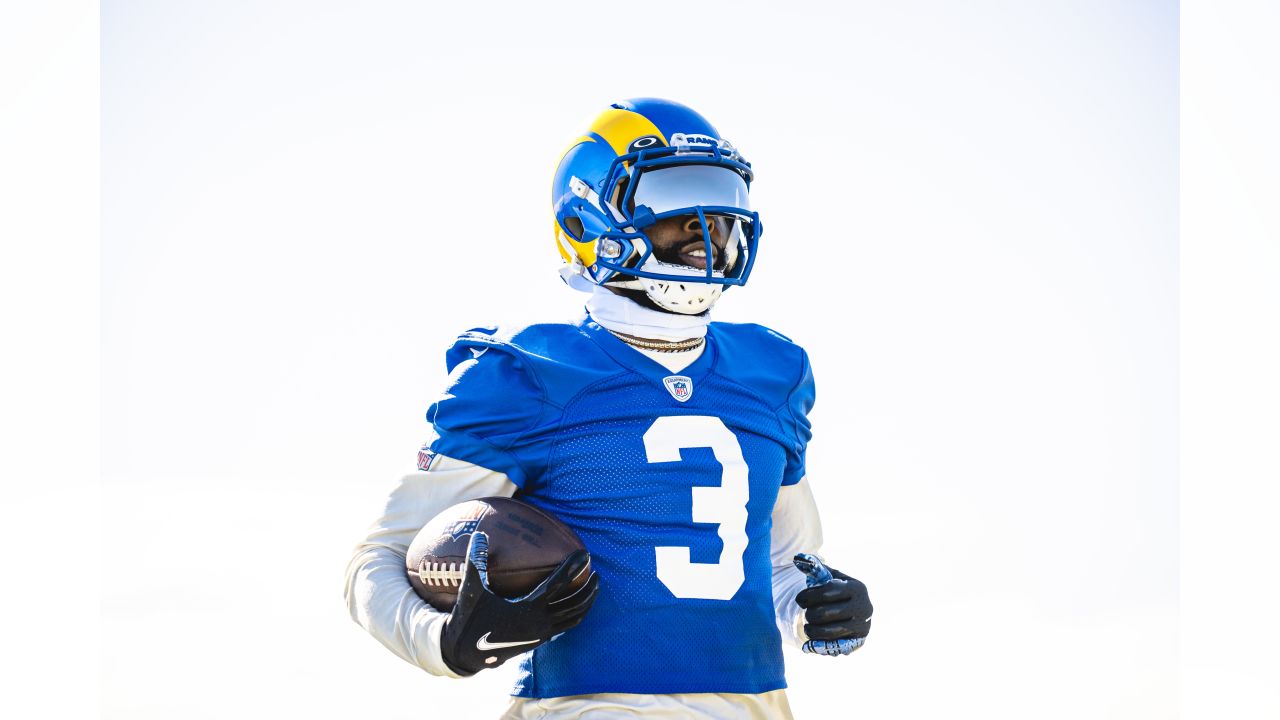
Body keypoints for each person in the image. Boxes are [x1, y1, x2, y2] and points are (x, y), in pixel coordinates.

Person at [344, 98, 873, 719]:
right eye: (678, 197)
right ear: (589, 215)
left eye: (722, 196)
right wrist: (441, 640)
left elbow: (783, 558)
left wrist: (821, 606)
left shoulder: (772, 372)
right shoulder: (524, 373)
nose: (710, 223)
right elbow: (379, 558)